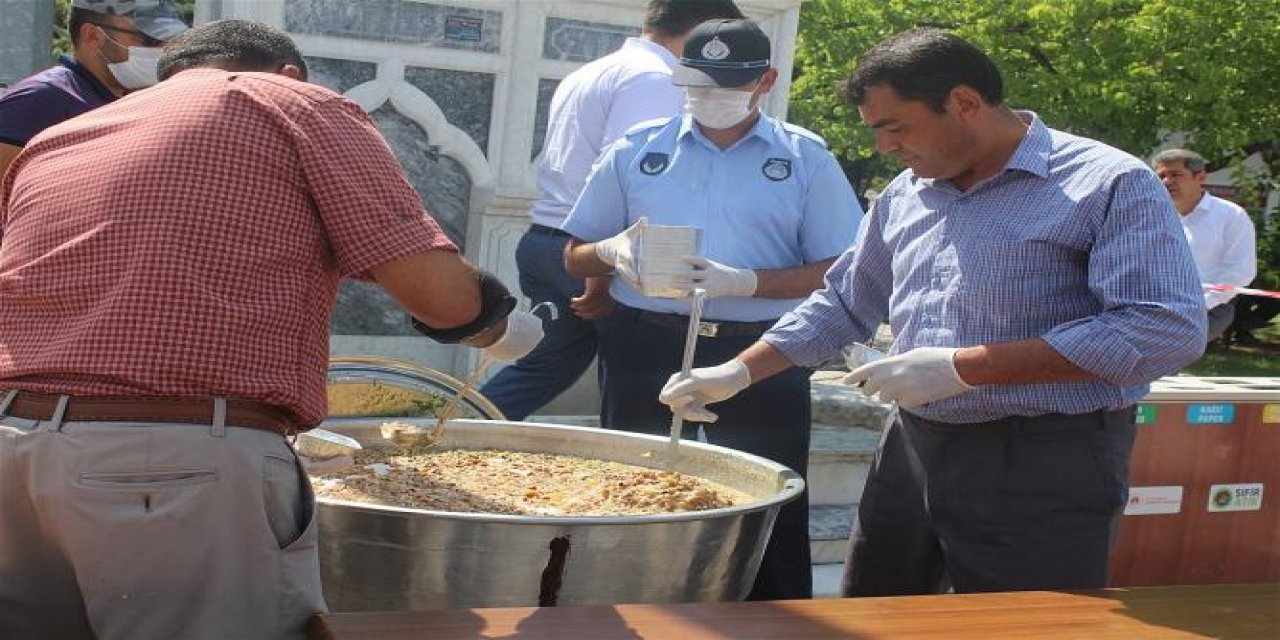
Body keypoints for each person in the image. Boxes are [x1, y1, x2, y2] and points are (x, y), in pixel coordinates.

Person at [0, 20, 541, 640]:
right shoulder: (290, 102)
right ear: (289, 73)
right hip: (166, 465)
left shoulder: (64, 135)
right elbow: (440, 297)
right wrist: (498, 325)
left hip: (15, 447)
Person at [660, 28, 1206, 596]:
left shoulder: (1106, 182)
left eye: (895, 128)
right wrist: (738, 372)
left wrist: (963, 367)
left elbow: (1163, 327)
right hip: (914, 444)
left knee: (1020, 626)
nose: (885, 148)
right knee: (879, 610)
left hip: (1044, 454)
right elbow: (845, 300)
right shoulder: (907, 193)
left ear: (965, 104)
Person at [563, 19, 863, 600]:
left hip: (759, 352)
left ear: (765, 81)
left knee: (768, 499)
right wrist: (611, 253)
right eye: (697, 84)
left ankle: (773, 622)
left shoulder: (804, 159)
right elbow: (574, 255)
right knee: (632, 486)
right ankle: (622, 608)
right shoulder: (637, 149)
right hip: (645, 341)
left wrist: (749, 281)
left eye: (726, 85)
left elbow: (842, 267)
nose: (708, 98)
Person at [479, 0, 745, 420]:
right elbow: (632, 179)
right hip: (595, 254)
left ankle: (454, 431)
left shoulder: (595, 70)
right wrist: (601, 272)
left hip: (548, 240)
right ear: (707, 38)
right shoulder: (657, 80)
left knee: (547, 365)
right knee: (638, 388)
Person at [0, 0, 187, 180]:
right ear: (92, 35)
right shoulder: (40, 98)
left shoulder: (136, 100)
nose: (163, 51)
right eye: (150, 40)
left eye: (170, 40)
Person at [1152, 148, 1258, 343]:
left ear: (1200, 177)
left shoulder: (1231, 216)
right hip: (1154, 303)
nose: (1167, 182)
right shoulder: (1153, 215)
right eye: (1161, 176)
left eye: (1175, 174)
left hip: (1210, 308)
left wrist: (1202, 302)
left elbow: (1241, 271)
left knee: (1164, 350)